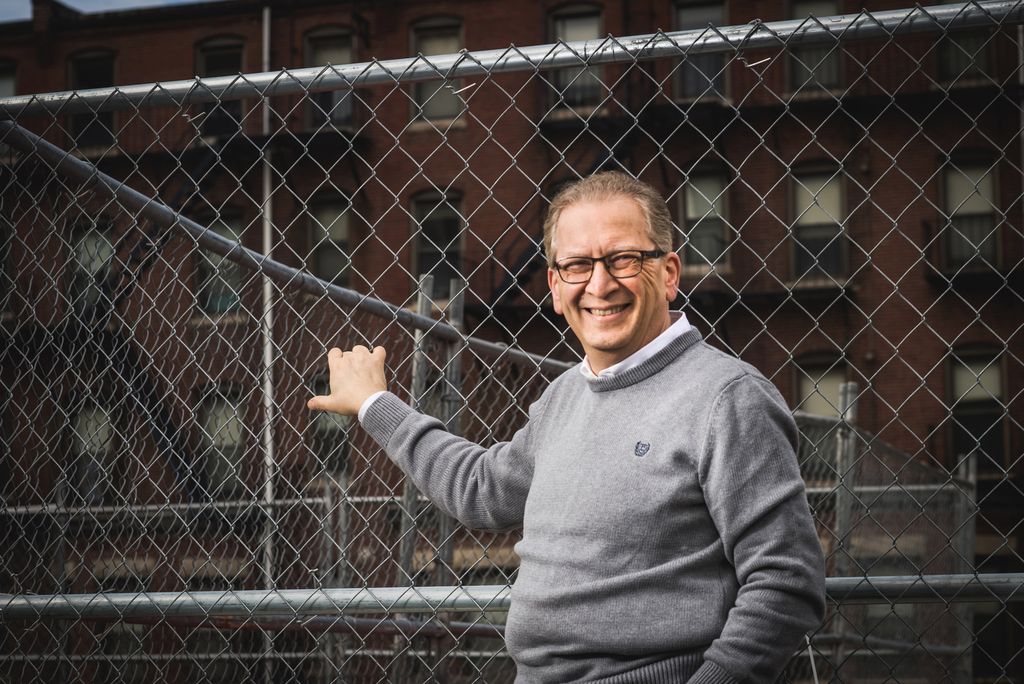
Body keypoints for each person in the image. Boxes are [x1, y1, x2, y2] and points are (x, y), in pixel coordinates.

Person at [308, 171, 826, 684]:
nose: (600, 285)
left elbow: (785, 582)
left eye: (623, 259)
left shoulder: (727, 398)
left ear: (669, 272)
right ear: (556, 286)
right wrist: (375, 404)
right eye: (578, 266)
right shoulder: (566, 395)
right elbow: (481, 489)